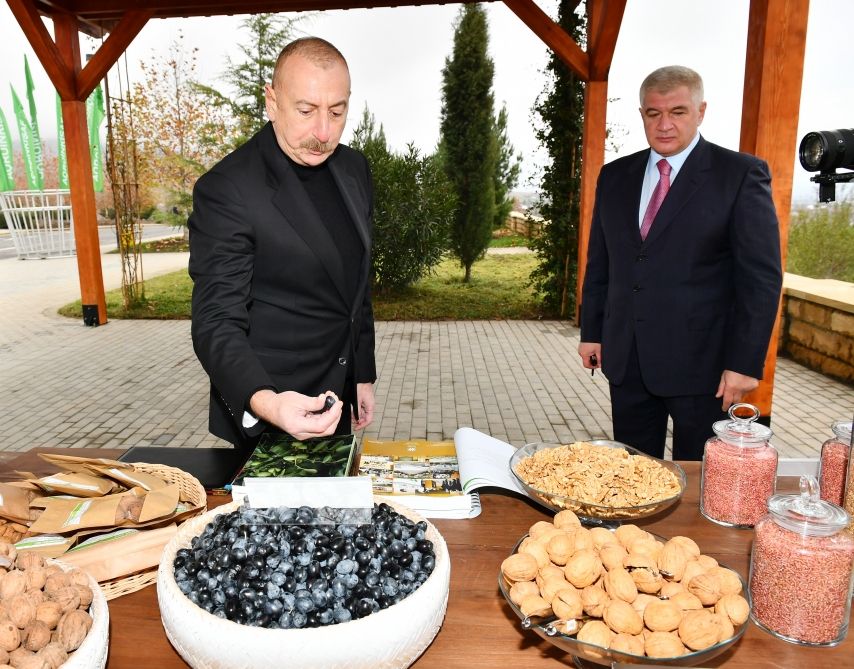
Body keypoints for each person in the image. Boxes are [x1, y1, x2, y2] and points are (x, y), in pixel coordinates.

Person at [578, 65, 782, 461]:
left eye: (678, 112)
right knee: (633, 476)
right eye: (654, 113)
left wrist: (744, 363)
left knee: (699, 482)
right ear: (642, 115)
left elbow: (761, 279)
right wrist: (593, 331)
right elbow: (601, 262)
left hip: (705, 368)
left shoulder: (740, 175)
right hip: (628, 362)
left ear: (701, 111)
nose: (665, 124)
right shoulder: (615, 176)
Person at [189, 37, 376, 448]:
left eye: (337, 111)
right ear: (272, 102)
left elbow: (355, 285)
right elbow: (216, 321)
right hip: (273, 405)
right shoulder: (227, 188)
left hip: (338, 395)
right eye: (306, 110)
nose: (324, 132)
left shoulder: (354, 168)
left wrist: (362, 372)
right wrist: (267, 402)